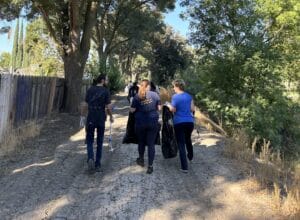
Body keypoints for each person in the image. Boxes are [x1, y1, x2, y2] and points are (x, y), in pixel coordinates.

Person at [130, 79, 161, 174]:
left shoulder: (137, 96)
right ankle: (150, 166)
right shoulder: (155, 95)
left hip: (140, 123)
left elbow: (132, 110)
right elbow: (159, 108)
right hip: (152, 122)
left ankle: (141, 160)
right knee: (151, 144)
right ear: (148, 86)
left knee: (141, 142)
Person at [85, 74, 114, 173]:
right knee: (100, 141)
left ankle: (90, 158)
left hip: (91, 116)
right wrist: (111, 116)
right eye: (107, 80)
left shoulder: (90, 89)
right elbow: (109, 107)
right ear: (102, 80)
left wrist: (82, 117)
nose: (108, 81)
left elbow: (85, 104)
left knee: (89, 139)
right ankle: (97, 164)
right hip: (101, 117)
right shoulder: (106, 91)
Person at [166, 79, 195, 173]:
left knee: (181, 144)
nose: (173, 88)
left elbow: (173, 110)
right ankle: (190, 157)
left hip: (179, 122)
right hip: (190, 122)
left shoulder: (175, 97)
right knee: (188, 139)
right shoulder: (189, 96)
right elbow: (192, 109)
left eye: (174, 86)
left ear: (177, 86)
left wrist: (168, 105)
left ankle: (184, 167)